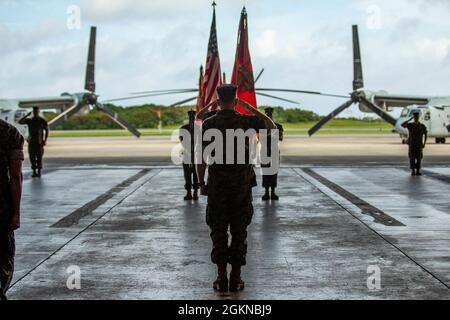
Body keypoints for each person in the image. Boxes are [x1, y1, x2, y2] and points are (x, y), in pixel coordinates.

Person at [196, 85, 276, 293]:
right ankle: (236, 278)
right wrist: (250, 107)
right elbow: (271, 127)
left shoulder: (209, 123)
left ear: (217, 98)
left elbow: (201, 157)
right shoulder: (246, 121)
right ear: (236, 98)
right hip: (241, 186)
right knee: (239, 231)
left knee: (218, 231)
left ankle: (221, 278)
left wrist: (201, 183)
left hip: (217, 185)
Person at [0, 119, 24, 300]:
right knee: (3, 257)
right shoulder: (10, 133)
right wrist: (16, 213)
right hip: (1, 209)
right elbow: (15, 177)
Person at [260, 108, 284, 201]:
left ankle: (273, 192)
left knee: (273, 173)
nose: (269, 116)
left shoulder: (278, 126)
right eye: (267, 114)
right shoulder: (262, 126)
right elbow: (259, 139)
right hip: (265, 151)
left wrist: (274, 131)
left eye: (270, 114)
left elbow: (281, 138)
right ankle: (266, 192)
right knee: (266, 172)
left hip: (273, 151)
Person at [19, 107, 48, 178]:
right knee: (32, 157)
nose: (35, 113)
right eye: (34, 112)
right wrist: (26, 115)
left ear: (38, 112)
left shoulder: (42, 121)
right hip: (31, 142)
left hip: (39, 142)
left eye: (36, 112)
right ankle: (34, 171)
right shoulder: (30, 120)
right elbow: (20, 122)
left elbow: (46, 130)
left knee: (39, 158)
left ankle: (39, 172)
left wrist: (45, 140)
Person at [179, 111, 199, 201]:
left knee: (196, 175)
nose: (191, 118)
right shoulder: (184, 128)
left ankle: (195, 193)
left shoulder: (198, 128)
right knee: (187, 175)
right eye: (190, 117)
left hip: (196, 155)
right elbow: (182, 141)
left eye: (193, 117)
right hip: (188, 154)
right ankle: (189, 193)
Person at [402, 111, 428, 176]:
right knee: (412, 158)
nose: (416, 118)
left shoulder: (422, 126)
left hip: (419, 144)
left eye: (417, 117)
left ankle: (418, 171)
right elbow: (402, 125)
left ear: (418, 117)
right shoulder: (410, 125)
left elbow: (425, 135)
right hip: (412, 144)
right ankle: (413, 171)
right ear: (414, 117)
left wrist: (424, 143)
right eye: (415, 117)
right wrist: (409, 119)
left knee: (419, 158)